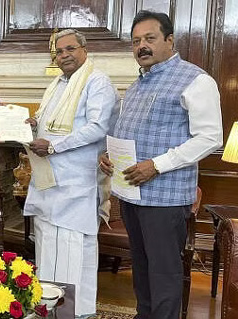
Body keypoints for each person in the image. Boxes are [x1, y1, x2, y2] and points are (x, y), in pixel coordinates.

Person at [99, 10, 223, 319]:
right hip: (131, 194)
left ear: (169, 40)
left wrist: (157, 165)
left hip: (165, 199)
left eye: (150, 39)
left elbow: (210, 137)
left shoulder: (196, 80)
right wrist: (108, 155)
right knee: (141, 269)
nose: (142, 46)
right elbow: (128, 130)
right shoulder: (139, 83)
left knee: (164, 274)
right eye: (136, 40)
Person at [23, 29, 119, 318]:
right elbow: (47, 120)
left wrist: (53, 145)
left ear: (84, 49)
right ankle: (48, 308)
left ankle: (74, 312)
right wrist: (34, 122)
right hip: (49, 181)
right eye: (59, 51)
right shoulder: (56, 84)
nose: (64, 55)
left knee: (74, 250)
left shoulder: (97, 82)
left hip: (77, 183)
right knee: (48, 244)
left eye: (70, 49)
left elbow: (97, 127)